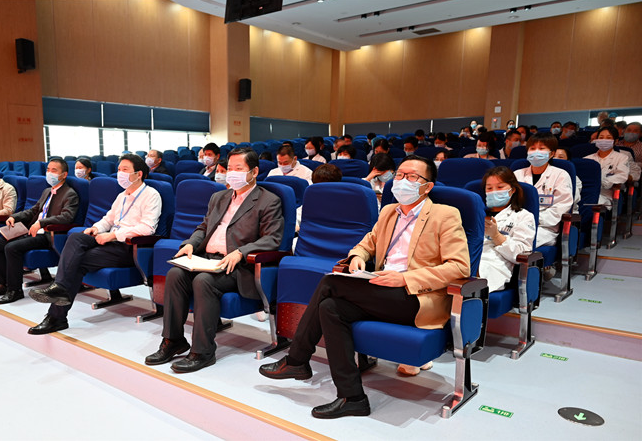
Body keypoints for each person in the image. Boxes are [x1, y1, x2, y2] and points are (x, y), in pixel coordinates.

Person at [258, 155, 470, 419]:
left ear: (427, 186)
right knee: (330, 307)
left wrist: (405, 279)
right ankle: (352, 397)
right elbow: (366, 243)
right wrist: (357, 256)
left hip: (416, 297)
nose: (403, 181)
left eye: (412, 177)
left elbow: (459, 267)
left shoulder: (445, 215)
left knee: (330, 282)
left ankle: (297, 360)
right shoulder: (389, 212)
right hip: (381, 289)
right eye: (400, 175)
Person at [145, 147, 283, 373]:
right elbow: (204, 227)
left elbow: (272, 239)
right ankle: (173, 340)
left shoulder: (268, 201)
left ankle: (203, 352)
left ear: (254, 171)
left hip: (237, 266)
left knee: (203, 281)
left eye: (239, 168)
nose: (232, 173)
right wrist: (190, 243)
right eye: (230, 168)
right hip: (207, 259)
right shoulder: (219, 197)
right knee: (175, 274)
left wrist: (240, 252)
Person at [27, 154, 162, 334]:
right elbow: (108, 219)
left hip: (128, 247)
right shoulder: (122, 195)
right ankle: (59, 289)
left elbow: (147, 228)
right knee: (76, 237)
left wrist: (113, 235)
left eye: (125, 170)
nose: (120, 173)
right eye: (119, 169)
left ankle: (56, 317)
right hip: (109, 239)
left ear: (139, 174)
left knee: (77, 262)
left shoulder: (151, 195)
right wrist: (96, 228)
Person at [0, 159, 79, 304]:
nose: (49, 173)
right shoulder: (47, 191)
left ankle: (15, 290)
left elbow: (67, 217)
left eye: (54, 170)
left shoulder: (70, 194)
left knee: (12, 247)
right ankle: (4, 284)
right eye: (48, 169)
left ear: (64, 174)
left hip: (47, 235)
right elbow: (33, 211)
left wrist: (42, 223)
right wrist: (14, 217)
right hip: (31, 230)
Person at [478, 167, 535, 293]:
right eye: (489, 188)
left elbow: (521, 254)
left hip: (495, 265)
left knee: (468, 276)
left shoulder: (523, 216)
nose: (494, 192)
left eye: (500, 187)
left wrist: (496, 236)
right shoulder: (476, 213)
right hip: (468, 258)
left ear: (512, 190)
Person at [513, 133, 573, 246]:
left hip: (544, 227)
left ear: (552, 154)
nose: (536, 152)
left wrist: (531, 219)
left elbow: (560, 208)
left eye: (541, 148)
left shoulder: (560, 175)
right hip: (515, 223)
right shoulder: (517, 174)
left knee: (518, 243)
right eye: (532, 148)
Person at [584, 126, 630, 209]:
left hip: (605, 194)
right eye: (601, 137)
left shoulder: (622, 158)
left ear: (616, 141)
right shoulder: (587, 159)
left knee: (592, 202)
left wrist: (604, 182)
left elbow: (622, 175)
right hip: (586, 192)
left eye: (608, 138)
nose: (604, 140)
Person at [553, 148, 581, 213]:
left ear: (568, 161)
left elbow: (574, 198)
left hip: (567, 213)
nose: (556, 159)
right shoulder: (543, 174)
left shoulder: (574, 178)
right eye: (553, 156)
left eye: (560, 157)